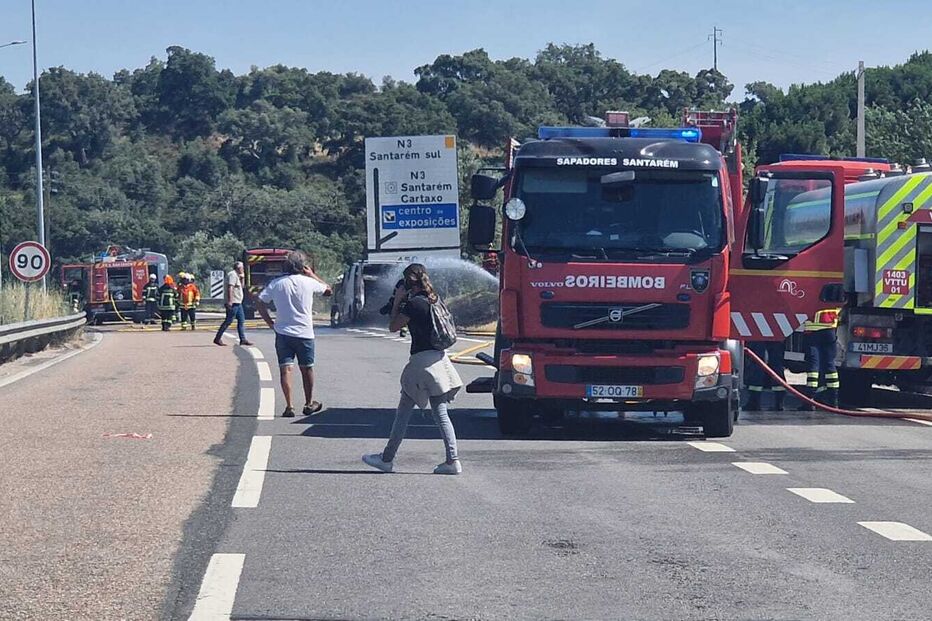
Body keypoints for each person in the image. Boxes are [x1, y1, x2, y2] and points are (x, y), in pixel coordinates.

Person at [363, 263, 464, 475]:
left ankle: (386, 459)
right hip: (439, 359)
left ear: (408, 282)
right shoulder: (434, 300)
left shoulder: (414, 304)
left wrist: (398, 300)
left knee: (403, 414)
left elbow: (393, 326)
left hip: (420, 363)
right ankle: (452, 460)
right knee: (441, 413)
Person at [255, 251, 331, 417]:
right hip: (304, 333)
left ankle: (289, 406)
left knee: (286, 369)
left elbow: (260, 300)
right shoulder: (308, 282)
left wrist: (270, 322)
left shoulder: (277, 283)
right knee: (307, 368)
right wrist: (313, 275)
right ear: (302, 266)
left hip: (283, 332)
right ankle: (309, 403)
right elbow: (328, 291)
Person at [798, 307, 842, 410]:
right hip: (830, 330)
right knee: (830, 364)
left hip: (813, 332)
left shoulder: (815, 294)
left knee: (813, 366)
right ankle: (833, 402)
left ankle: (810, 401)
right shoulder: (835, 294)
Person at [214, 260, 253, 346]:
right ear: (238, 268)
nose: (243, 269)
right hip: (234, 302)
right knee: (228, 321)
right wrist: (230, 301)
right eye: (242, 268)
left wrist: (242, 278)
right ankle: (217, 338)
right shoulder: (232, 274)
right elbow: (230, 288)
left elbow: (241, 287)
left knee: (241, 320)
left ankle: (242, 339)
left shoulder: (237, 276)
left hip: (238, 302)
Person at [744, 341, 787, 411]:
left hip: (759, 335)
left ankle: (754, 403)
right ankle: (779, 403)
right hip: (777, 335)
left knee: (757, 364)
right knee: (776, 365)